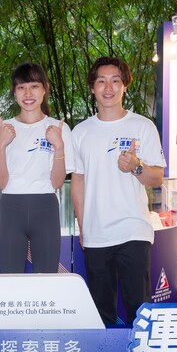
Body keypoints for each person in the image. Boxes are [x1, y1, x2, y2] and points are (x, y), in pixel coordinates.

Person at [71, 56, 167, 326]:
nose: (108, 87)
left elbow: (157, 176)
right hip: (96, 233)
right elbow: (77, 181)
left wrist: (136, 167)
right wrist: (82, 225)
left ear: (125, 86)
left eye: (115, 80)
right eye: (101, 81)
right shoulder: (80, 132)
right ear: (92, 88)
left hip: (133, 230)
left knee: (140, 307)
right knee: (101, 313)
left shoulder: (142, 126)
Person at [0, 62, 73, 273]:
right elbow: (0, 182)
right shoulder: (2, 129)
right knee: (11, 280)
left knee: (46, 281)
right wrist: (1, 144)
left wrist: (59, 145)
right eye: (21, 87)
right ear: (14, 93)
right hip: (10, 209)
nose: (28, 93)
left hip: (45, 208)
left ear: (44, 89)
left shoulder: (59, 129)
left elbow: (57, 182)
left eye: (34, 86)